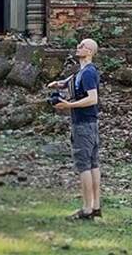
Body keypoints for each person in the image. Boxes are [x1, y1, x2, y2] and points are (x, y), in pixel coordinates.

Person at [48, 38, 101, 220]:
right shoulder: (83, 72)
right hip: (90, 124)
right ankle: (95, 206)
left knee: (84, 166)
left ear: (91, 52)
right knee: (93, 164)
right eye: (79, 45)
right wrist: (59, 84)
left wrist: (68, 105)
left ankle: (87, 210)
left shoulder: (87, 73)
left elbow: (93, 98)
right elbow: (71, 81)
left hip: (83, 125)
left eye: (83, 46)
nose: (79, 47)